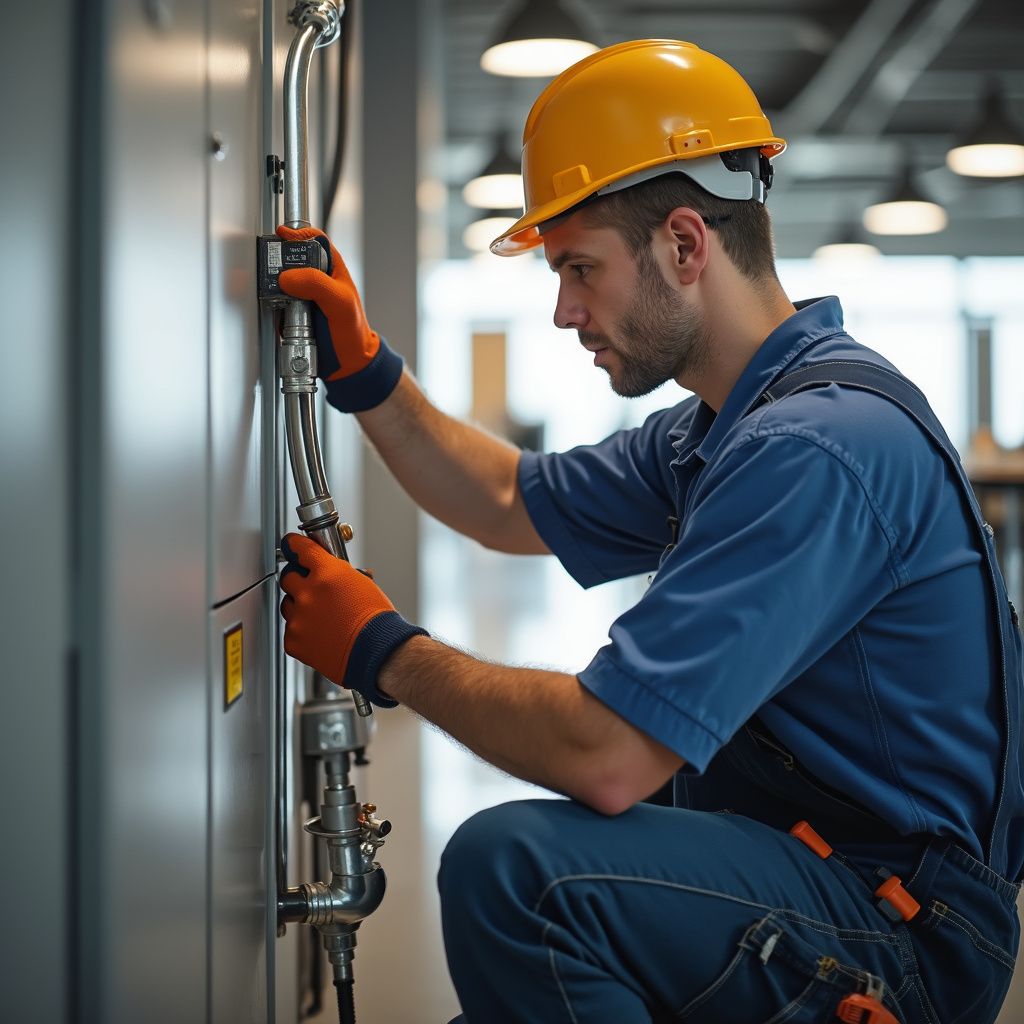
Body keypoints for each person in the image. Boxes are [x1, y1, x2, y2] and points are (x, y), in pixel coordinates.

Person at [276, 39, 1024, 1024]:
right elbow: (508, 500)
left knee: (522, 876)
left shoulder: (816, 446)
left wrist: (386, 652)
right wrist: (367, 373)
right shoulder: (720, 428)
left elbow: (608, 753)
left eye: (579, 269)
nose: (561, 310)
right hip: (797, 858)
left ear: (683, 244)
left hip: (896, 924)